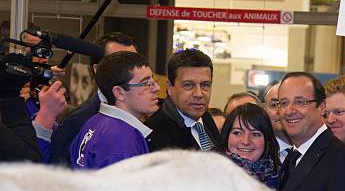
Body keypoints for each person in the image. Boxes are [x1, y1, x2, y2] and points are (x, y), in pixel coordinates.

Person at [50, 32, 137, 165]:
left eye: (136, 61)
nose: (135, 70)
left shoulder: (146, 113)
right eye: (121, 63)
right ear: (98, 69)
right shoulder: (78, 121)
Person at [70, 51, 159, 169]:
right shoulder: (122, 141)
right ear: (119, 92)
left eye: (153, 81)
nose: (157, 88)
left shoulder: (94, 122)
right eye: (145, 84)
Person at [145, 49, 219, 151]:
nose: (198, 94)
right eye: (188, 85)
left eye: (205, 85)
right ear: (170, 88)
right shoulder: (154, 134)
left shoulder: (206, 118)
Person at [213, 103, 279, 188]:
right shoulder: (208, 173)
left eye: (255, 134)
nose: (246, 141)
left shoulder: (282, 176)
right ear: (226, 136)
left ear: (267, 140)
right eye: (238, 133)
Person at [263, 83, 292, 163]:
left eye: (285, 104)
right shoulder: (257, 152)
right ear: (264, 110)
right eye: (274, 105)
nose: (281, 111)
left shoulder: (321, 148)